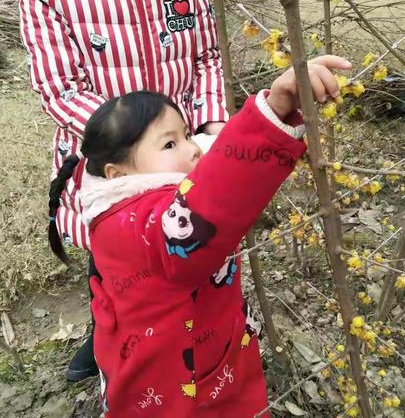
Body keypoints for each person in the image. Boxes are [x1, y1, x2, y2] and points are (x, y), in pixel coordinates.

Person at [48, 55, 352, 417]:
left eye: (187, 135)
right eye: (169, 145)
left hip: (189, 354)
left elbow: (212, 170)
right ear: (118, 173)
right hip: (179, 386)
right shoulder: (139, 221)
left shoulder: (118, 201)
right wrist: (272, 112)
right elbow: (207, 203)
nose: (192, 148)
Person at [5, 0, 229, 381]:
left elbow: (206, 56)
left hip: (184, 151)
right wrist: (134, 146)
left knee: (190, 246)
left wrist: (208, 129)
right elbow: (59, 87)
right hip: (110, 163)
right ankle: (105, 330)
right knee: (113, 259)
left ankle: (189, 336)